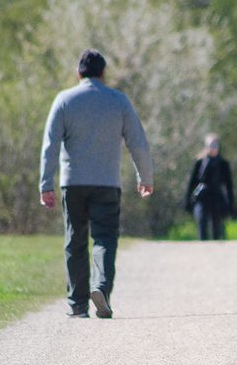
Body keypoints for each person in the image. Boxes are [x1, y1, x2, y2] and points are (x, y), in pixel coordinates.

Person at [39, 49, 154, 319]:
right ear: (103, 74)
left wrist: (46, 184)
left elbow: (50, 145)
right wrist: (145, 178)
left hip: (73, 183)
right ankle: (100, 288)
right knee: (104, 238)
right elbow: (138, 142)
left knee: (75, 241)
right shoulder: (119, 101)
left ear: (79, 73)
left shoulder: (64, 100)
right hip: (107, 183)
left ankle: (77, 305)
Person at [185, 134, 234, 240]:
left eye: (215, 145)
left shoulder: (223, 164)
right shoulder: (199, 162)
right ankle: (203, 250)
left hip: (217, 198)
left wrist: (230, 204)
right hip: (202, 198)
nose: (213, 148)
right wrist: (187, 200)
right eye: (211, 145)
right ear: (206, 146)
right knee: (202, 223)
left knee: (217, 229)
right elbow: (191, 183)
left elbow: (229, 185)